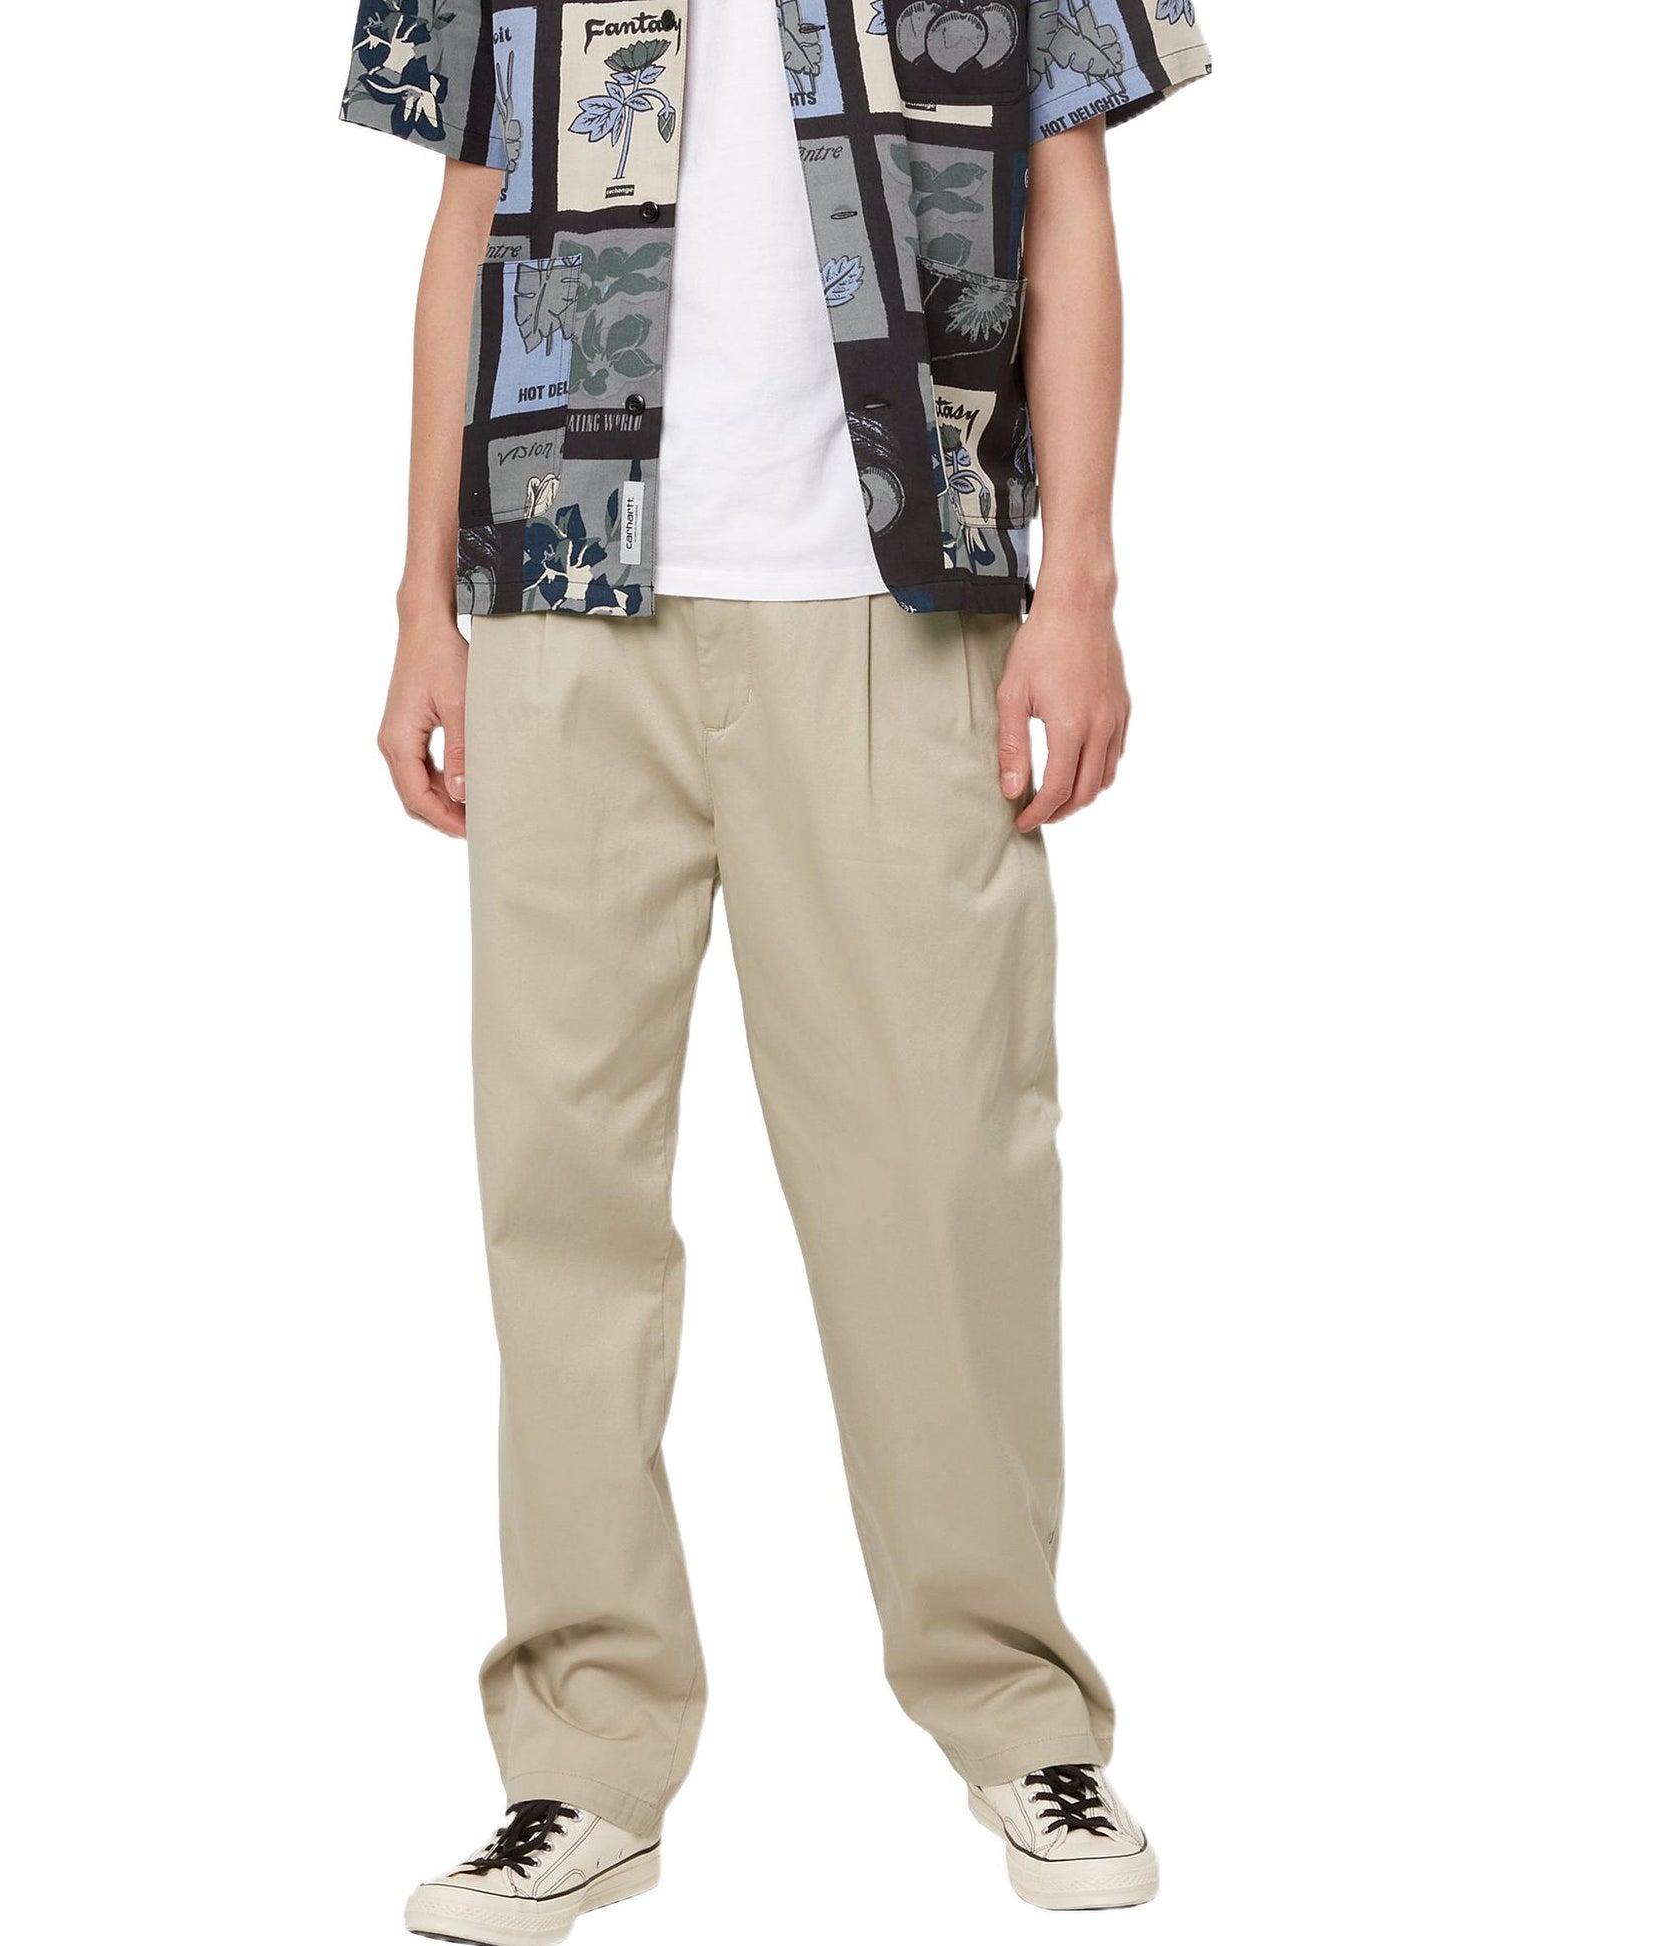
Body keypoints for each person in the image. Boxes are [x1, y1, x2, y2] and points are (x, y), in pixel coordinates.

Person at [343, 0, 1209, 1935]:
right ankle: (580, 1763)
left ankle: (1018, 1716)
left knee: (945, 1182)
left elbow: (1066, 187)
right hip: (565, 583)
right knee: (562, 1193)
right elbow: (469, 206)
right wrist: (420, 606)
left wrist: (1078, 582)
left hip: (901, 593)